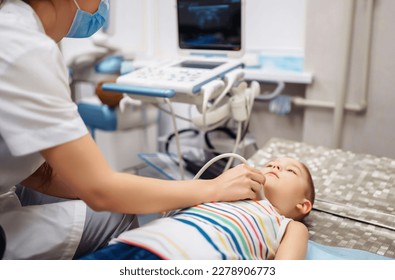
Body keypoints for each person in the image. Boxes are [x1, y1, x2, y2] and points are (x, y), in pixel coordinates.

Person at [0, 0, 265, 259]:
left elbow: (35, 174)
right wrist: (212, 189)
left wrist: (157, 194)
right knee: (117, 214)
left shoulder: (15, 30)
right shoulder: (26, 47)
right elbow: (101, 191)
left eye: (288, 171)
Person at [81, 157, 315, 260]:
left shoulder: (289, 226)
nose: (275, 165)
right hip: (133, 243)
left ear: (303, 205)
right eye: (270, 163)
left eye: (290, 170)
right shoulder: (225, 193)